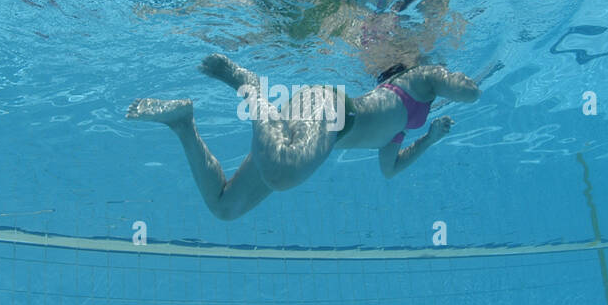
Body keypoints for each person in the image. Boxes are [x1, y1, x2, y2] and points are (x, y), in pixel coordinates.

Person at [126, 54, 480, 220]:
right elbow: (470, 93)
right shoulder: (420, 78)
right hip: (328, 108)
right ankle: (250, 87)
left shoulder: (401, 129)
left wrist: (430, 139)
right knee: (282, 173)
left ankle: (182, 123)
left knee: (225, 207)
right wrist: (451, 75)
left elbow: (389, 169)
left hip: (312, 130)